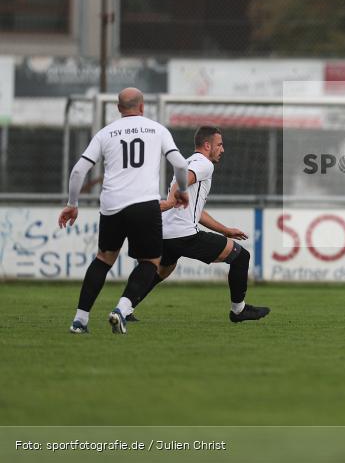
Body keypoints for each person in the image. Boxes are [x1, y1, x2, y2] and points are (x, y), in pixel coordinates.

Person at [59, 88, 189, 334]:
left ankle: (80, 320)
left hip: (112, 205)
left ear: (118, 108)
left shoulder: (105, 133)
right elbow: (181, 164)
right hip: (144, 205)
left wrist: (72, 204)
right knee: (151, 261)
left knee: (103, 259)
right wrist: (182, 189)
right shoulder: (158, 130)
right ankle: (121, 308)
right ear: (142, 107)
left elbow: (78, 171)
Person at [125, 126, 270, 323]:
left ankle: (124, 308)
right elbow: (182, 183)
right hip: (184, 235)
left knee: (162, 270)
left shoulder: (187, 162)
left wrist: (225, 230)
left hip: (166, 233)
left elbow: (195, 210)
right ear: (207, 145)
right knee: (240, 256)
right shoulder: (204, 164)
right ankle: (239, 311)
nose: (223, 149)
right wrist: (170, 198)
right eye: (219, 144)